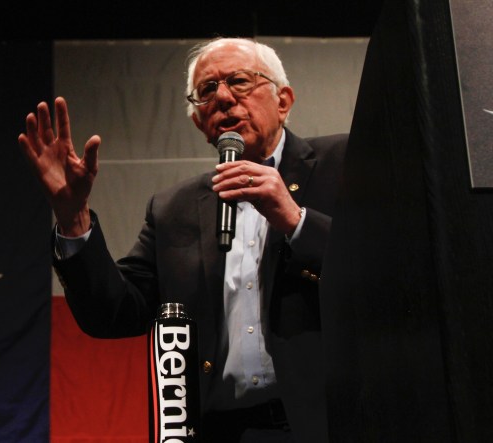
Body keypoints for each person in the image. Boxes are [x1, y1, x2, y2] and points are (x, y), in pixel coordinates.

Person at [18, 37, 347, 443]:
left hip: (329, 424)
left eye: (239, 81)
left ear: (283, 101)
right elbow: (115, 313)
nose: (223, 97)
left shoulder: (343, 163)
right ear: (198, 122)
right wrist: (73, 217)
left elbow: (384, 274)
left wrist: (295, 220)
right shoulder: (173, 209)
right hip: (221, 431)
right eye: (207, 90)